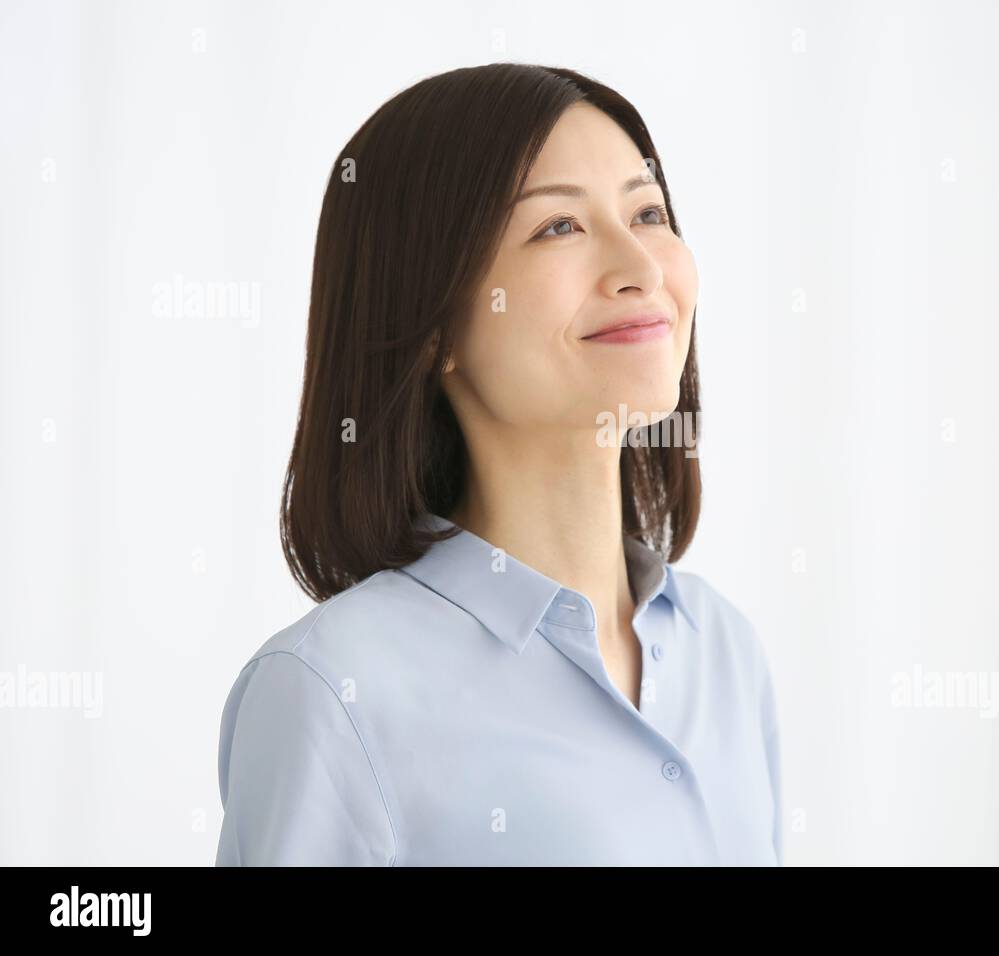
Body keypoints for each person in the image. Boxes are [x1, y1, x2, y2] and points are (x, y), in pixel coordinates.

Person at [214, 63, 782, 866]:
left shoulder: (724, 649)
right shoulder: (332, 691)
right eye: (558, 227)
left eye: (648, 212)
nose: (642, 268)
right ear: (433, 320)